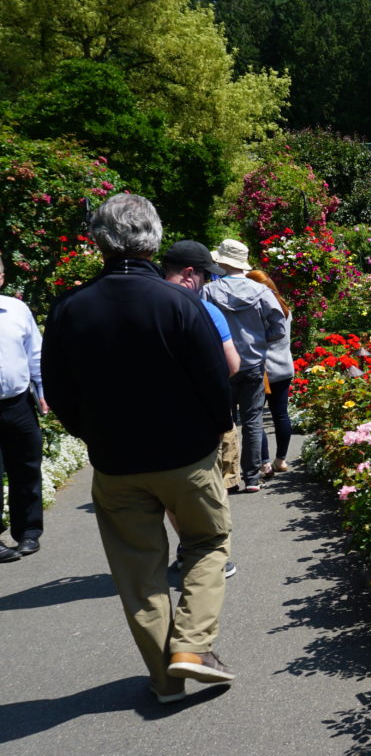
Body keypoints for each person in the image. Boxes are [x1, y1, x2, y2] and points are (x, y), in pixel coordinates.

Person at [42, 194, 236, 703]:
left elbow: (58, 390)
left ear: (98, 240)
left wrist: (92, 435)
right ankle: (193, 647)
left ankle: (166, 681)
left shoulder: (68, 308)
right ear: (153, 237)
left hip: (115, 461)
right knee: (206, 543)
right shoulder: (181, 303)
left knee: (138, 569)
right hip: (186, 455)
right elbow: (216, 381)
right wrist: (217, 430)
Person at [160, 241, 241, 580]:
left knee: (170, 497)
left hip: (154, 422)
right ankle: (212, 556)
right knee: (213, 487)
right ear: (191, 274)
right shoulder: (204, 310)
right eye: (207, 275)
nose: (208, 283)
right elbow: (232, 364)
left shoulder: (137, 305)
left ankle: (185, 549)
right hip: (203, 416)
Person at [202, 239, 286, 493]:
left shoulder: (208, 292)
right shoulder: (260, 291)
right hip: (253, 364)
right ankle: (252, 478)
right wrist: (260, 339)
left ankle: (228, 478)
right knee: (253, 420)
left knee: (224, 421)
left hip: (221, 365)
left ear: (222, 262)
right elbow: (279, 327)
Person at [0, 256, 46, 561]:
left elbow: (35, 353)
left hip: (18, 403)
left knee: (27, 466)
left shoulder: (16, 309)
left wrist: (43, 390)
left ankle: (28, 532)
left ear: (2, 277)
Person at [245, 269, 295, 473]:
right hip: (284, 366)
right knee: (281, 415)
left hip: (263, 369)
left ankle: (265, 462)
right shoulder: (284, 308)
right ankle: (281, 459)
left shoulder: (260, 309)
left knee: (256, 417)